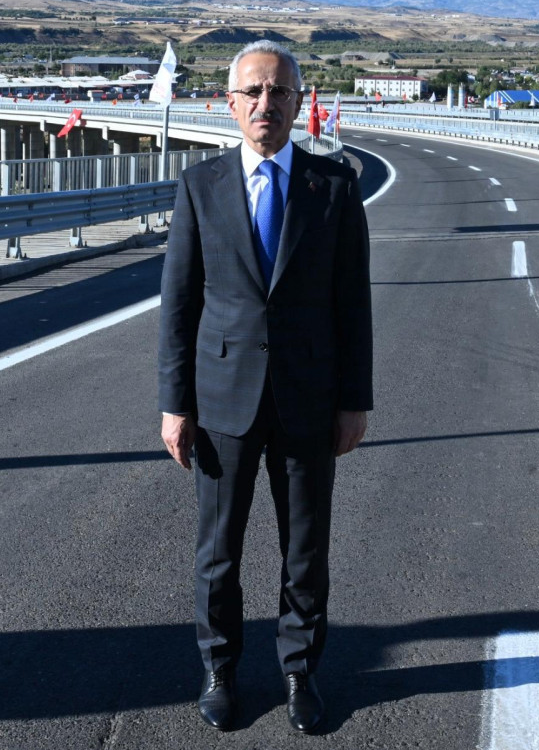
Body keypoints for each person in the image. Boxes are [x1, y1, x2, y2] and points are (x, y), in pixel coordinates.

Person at [157, 39, 373, 734]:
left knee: (305, 552)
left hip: (309, 401)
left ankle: (300, 673)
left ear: (300, 102)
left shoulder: (334, 188)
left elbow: (353, 304)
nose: (265, 104)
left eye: (279, 92)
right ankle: (219, 670)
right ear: (230, 104)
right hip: (222, 401)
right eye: (252, 91)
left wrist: (354, 399)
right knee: (218, 552)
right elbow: (179, 305)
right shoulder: (201, 187)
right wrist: (174, 404)